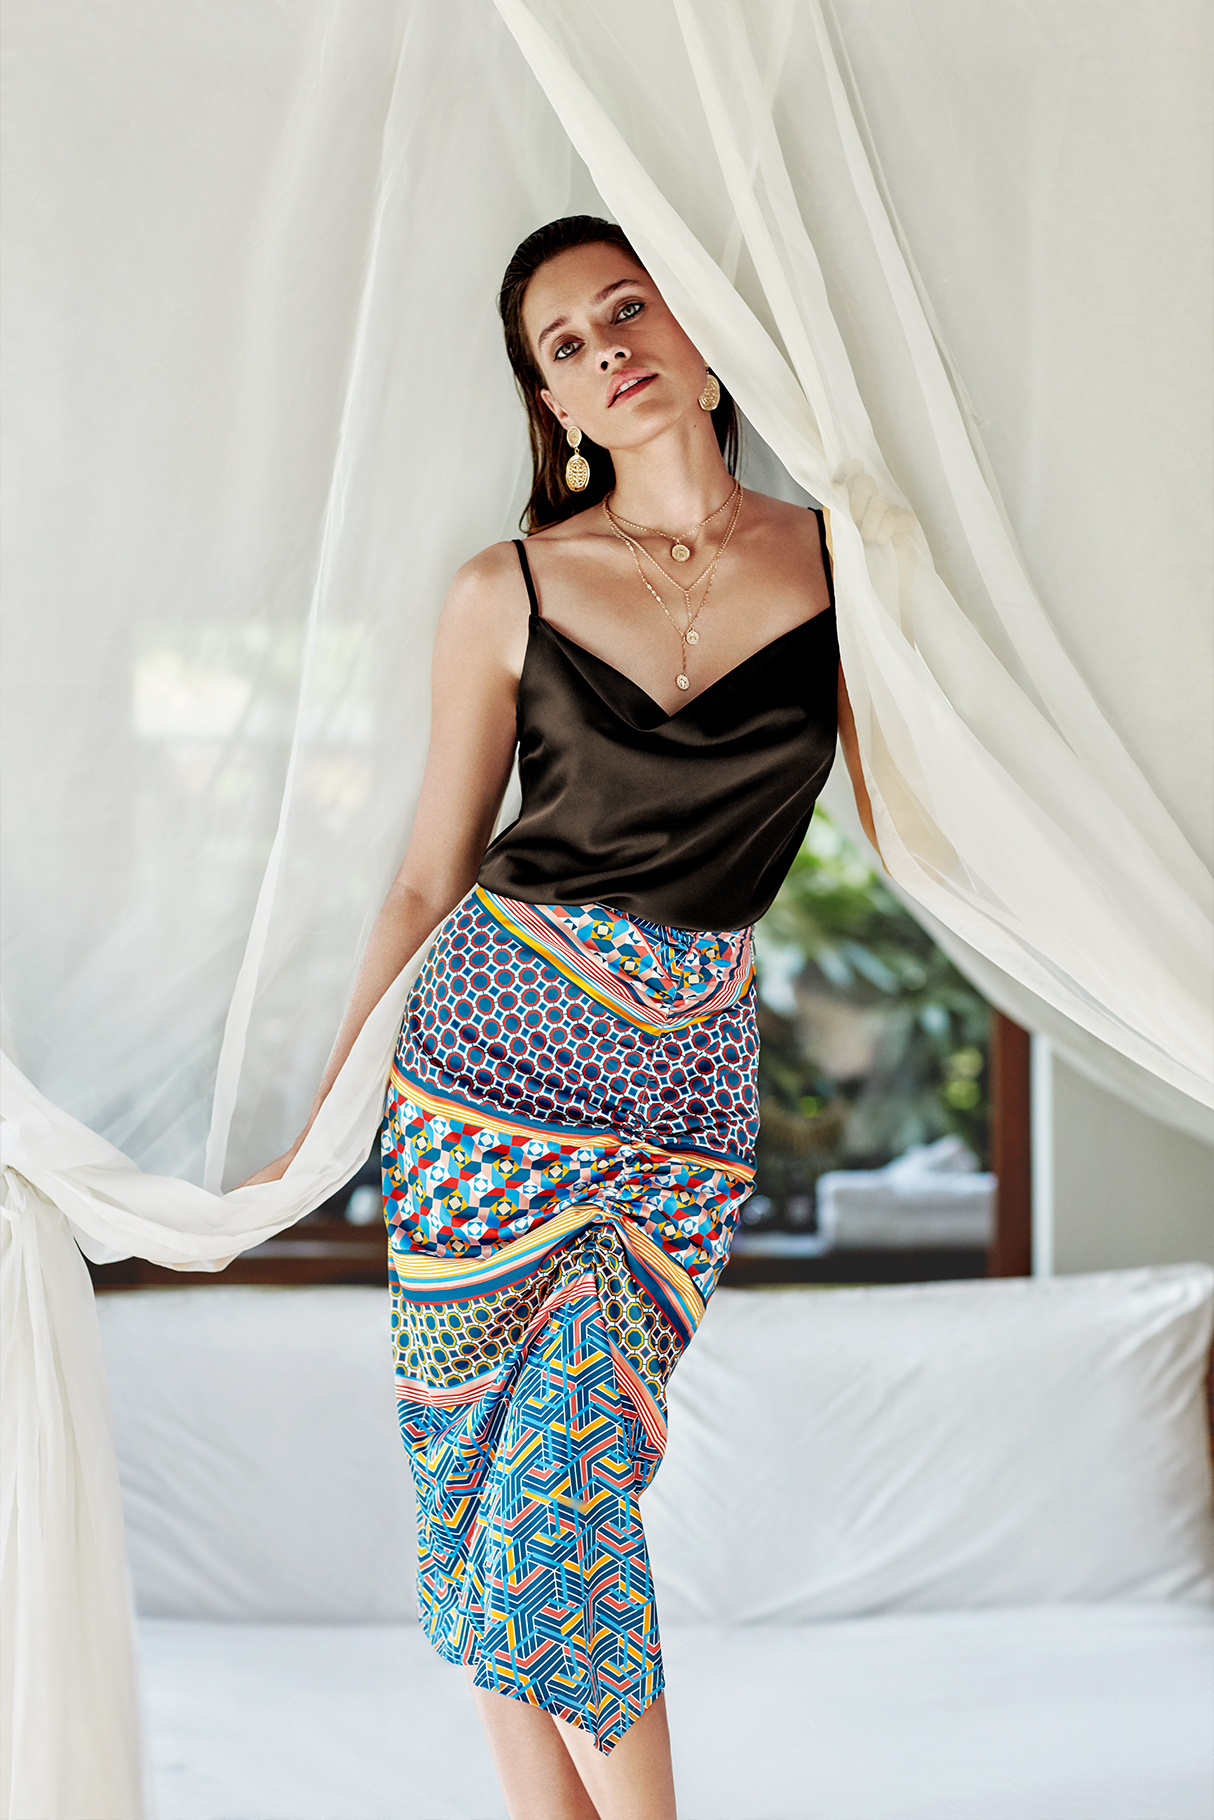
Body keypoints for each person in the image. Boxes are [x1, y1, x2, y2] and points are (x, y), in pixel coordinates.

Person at [244, 215, 873, 1820]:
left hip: (682, 1106)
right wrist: (324, 1130)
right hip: (479, 1082)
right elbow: (422, 878)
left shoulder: (847, 566)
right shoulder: (503, 588)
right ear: (555, 407)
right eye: (566, 347)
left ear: (705, 333)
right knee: (477, 1488)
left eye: (628, 309)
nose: (609, 351)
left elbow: (936, 814)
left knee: (564, 1483)